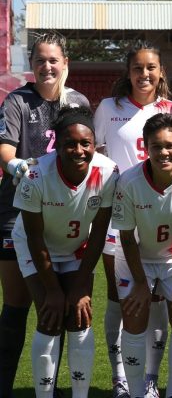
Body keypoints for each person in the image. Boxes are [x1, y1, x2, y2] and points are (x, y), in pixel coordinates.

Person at [94, 40, 172, 398]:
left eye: (151, 67)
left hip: (162, 219)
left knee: (158, 302)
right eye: (138, 68)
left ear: (161, 71)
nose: (144, 74)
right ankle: (120, 377)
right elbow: (99, 158)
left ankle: (149, 378)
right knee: (120, 300)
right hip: (119, 217)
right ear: (128, 71)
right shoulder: (108, 107)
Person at [0, 31, 89, 397]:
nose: (47, 66)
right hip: (16, 212)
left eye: (54, 59)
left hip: (64, 216)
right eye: (40, 60)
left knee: (62, 307)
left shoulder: (78, 101)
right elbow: (4, 149)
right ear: (32, 65)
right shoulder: (18, 100)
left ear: (65, 63)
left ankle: (49, 388)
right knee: (16, 305)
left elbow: (87, 150)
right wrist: (18, 166)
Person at [11, 105, 119, 398]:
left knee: (80, 316)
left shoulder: (108, 172)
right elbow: (34, 237)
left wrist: (82, 284)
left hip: (76, 250)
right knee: (50, 313)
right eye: (70, 144)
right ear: (56, 146)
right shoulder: (36, 176)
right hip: (36, 247)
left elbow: (98, 232)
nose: (79, 150)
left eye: (86, 143)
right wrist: (54, 290)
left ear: (95, 144)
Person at [112, 113, 172, 398]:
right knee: (133, 316)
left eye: (169, 145)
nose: (163, 152)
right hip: (136, 257)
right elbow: (127, 237)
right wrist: (140, 283)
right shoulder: (128, 182)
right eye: (156, 146)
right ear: (145, 148)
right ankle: (138, 392)